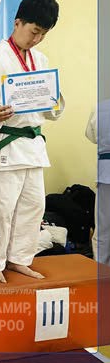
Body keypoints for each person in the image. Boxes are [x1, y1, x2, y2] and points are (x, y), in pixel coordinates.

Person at [0, 0, 63, 283]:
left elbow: (51, 109)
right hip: (3, 143)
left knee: (33, 206)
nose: (37, 39)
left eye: (43, 34)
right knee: (1, 208)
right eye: (34, 31)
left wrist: (53, 100)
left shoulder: (41, 59)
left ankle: (19, 259)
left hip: (33, 145)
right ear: (17, 23)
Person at [86, 100, 110, 266]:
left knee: (103, 229)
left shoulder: (100, 107)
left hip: (105, 173)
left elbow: (90, 135)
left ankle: (101, 269)